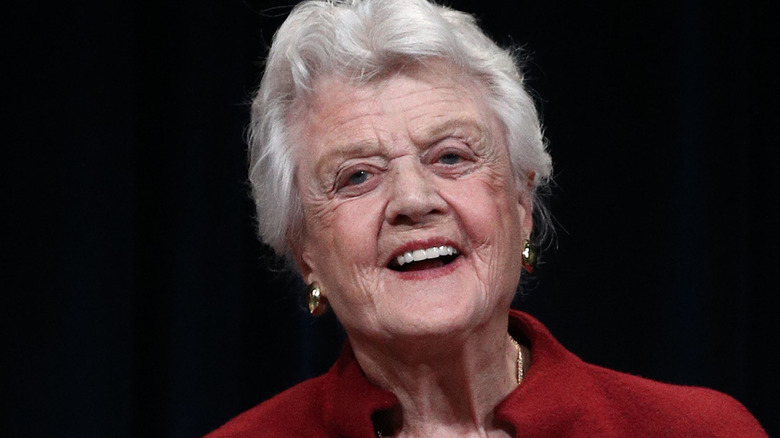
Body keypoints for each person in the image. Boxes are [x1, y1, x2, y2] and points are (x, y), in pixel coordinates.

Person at [207, 0, 767, 436]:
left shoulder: (698, 431)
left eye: (451, 157)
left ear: (522, 205)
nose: (414, 199)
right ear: (303, 250)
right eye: (358, 176)